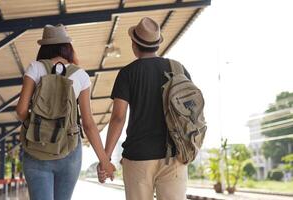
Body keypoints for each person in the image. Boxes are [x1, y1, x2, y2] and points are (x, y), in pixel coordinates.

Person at [16, 24, 115, 200]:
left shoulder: (35, 67)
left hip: (36, 147)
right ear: (68, 48)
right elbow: (88, 124)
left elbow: (21, 110)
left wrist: (37, 126)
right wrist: (104, 161)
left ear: (44, 47)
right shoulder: (81, 75)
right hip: (69, 150)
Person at [98, 17, 191, 200]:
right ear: (156, 44)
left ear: (134, 44)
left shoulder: (127, 73)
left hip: (138, 157)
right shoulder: (178, 69)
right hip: (174, 155)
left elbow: (118, 117)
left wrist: (105, 158)